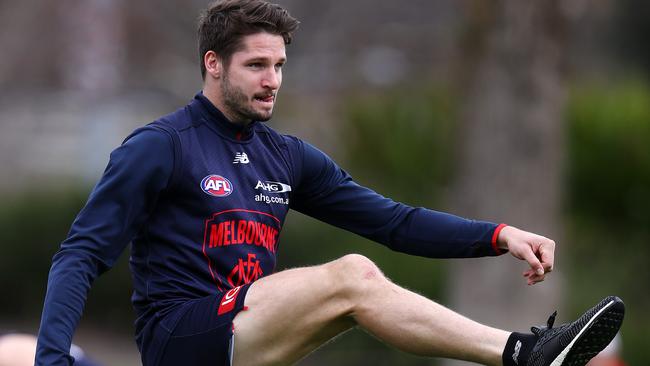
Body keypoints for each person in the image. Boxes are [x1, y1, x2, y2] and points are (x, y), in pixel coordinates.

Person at [35, 1, 625, 365]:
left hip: (247, 334)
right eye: (257, 65)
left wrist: (498, 234)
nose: (274, 80)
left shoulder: (287, 157)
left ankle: (522, 353)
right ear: (213, 64)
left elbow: (394, 222)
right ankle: (521, 353)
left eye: (281, 66)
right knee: (352, 276)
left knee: (358, 294)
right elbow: (80, 254)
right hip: (180, 339)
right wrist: (51, 358)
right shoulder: (159, 146)